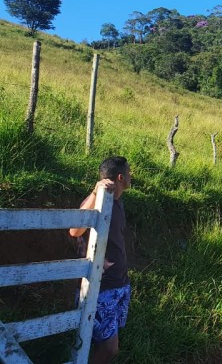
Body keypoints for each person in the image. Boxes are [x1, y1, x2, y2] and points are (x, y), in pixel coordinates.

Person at [69, 156, 132, 364]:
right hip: (101, 288)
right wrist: (96, 192)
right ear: (121, 177)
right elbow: (75, 230)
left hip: (119, 284)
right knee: (110, 349)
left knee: (102, 343)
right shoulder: (97, 202)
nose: (131, 176)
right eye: (129, 173)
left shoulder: (118, 202)